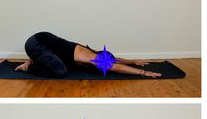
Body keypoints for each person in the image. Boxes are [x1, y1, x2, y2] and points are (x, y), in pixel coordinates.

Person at [15, 30, 162, 80]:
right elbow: (116, 67)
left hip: (46, 45)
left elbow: (115, 60)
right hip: (36, 42)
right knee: (60, 71)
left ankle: (33, 60)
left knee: (58, 62)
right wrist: (143, 72)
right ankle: (28, 67)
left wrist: (132, 61)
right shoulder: (87, 56)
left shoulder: (95, 56)